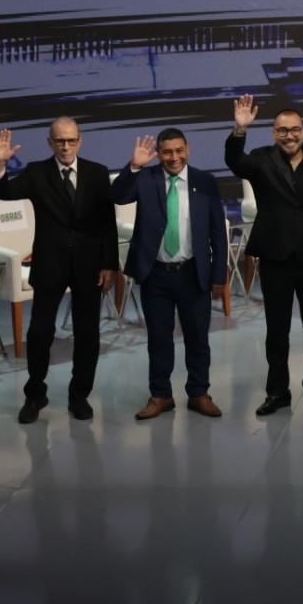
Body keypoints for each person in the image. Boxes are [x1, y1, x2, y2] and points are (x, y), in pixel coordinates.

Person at [0, 117, 119, 424]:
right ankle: (35, 395)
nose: (65, 146)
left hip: (89, 266)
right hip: (50, 265)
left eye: (71, 140)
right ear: (50, 143)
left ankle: (79, 397)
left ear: (80, 141)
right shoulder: (36, 173)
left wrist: (109, 263)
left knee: (88, 335)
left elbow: (107, 223)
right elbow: (3, 193)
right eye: (59, 140)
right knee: (39, 334)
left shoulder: (98, 173)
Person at [226, 96, 303, 417]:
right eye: (282, 130)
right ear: (273, 133)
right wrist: (240, 128)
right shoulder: (260, 160)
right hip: (275, 260)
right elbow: (234, 162)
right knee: (276, 331)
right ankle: (277, 392)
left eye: (294, 130)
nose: (289, 136)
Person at [112, 129, 228, 421]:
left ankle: (199, 393)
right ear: (159, 153)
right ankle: (161, 395)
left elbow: (218, 231)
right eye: (167, 152)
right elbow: (119, 196)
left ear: (187, 149)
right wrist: (134, 166)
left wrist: (219, 276)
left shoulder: (205, 181)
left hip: (193, 274)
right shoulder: (146, 179)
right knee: (159, 339)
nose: (174, 157)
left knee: (198, 338)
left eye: (179, 151)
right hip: (157, 275)